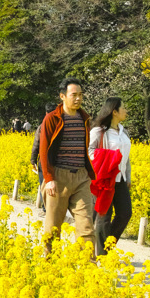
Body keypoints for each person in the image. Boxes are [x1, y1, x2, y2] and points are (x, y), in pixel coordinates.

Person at [39, 78, 96, 257]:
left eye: (80, 95)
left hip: (81, 177)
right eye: (74, 95)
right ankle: (49, 264)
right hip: (59, 177)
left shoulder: (84, 118)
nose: (78, 99)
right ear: (63, 96)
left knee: (86, 224)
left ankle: (89, 267)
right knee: (53, 228)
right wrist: (49, 179)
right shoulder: (52, 119)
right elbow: (43, 150)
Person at [89, 97, 132, 254]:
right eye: (123, 108)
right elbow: (88, 151)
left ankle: (107, 245)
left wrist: (128, 176)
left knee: (125, 213)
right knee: (104, 217)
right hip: (105, 179)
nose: (126, 111)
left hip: (120, 179)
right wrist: (107, 157)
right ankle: (103, 255)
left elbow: (126, 157)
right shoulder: (99, 131)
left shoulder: (123, 131)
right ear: (114, 111)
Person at [30, 103, 58, 216]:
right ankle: (56, 210)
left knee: (44, 184)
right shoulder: (61, 125)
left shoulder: (42, 127)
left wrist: (33, 160)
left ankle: (46, 210)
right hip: (58, 161)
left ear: (46, 113)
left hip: (44, 161)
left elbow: (36, 144)